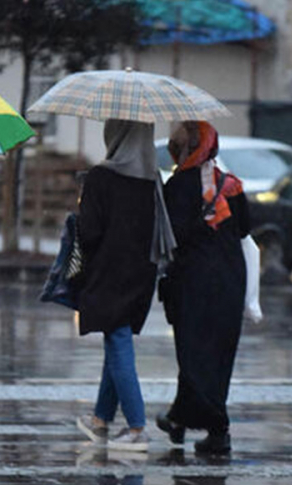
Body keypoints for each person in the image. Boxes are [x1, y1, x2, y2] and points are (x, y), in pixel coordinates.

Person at [74, 119, 177, 452]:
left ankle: (136, 427)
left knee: (118, 344)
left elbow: (88, 233)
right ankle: (101, 420)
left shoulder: (102, 177)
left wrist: (82, 205)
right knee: (115, 337)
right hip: (141, 274)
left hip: (109, 272)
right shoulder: (152, 180)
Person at [155, 121, 249, 455]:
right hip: (230, 279)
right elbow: (245, 228)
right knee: (218, 354)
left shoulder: (177, 185)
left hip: (192, 281)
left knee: (193, 353)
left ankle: (218, 428)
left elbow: (170, 235)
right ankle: (179, 420)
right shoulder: (231, 185)